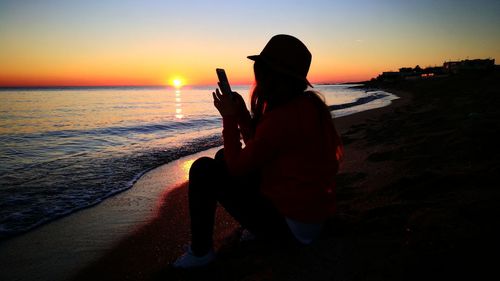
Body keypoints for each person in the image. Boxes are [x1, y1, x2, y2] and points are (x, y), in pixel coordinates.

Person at [173, 34, 343, 268]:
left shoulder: (282, 118)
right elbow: (262, 147)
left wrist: (229, 119)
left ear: (269, 75)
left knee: (203, 169)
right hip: (312, 218)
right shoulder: (307, 106)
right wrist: (243, 115)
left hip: (292, 228)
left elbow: (237, 168)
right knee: (222, 157)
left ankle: (201, 252)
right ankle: (247, 233)